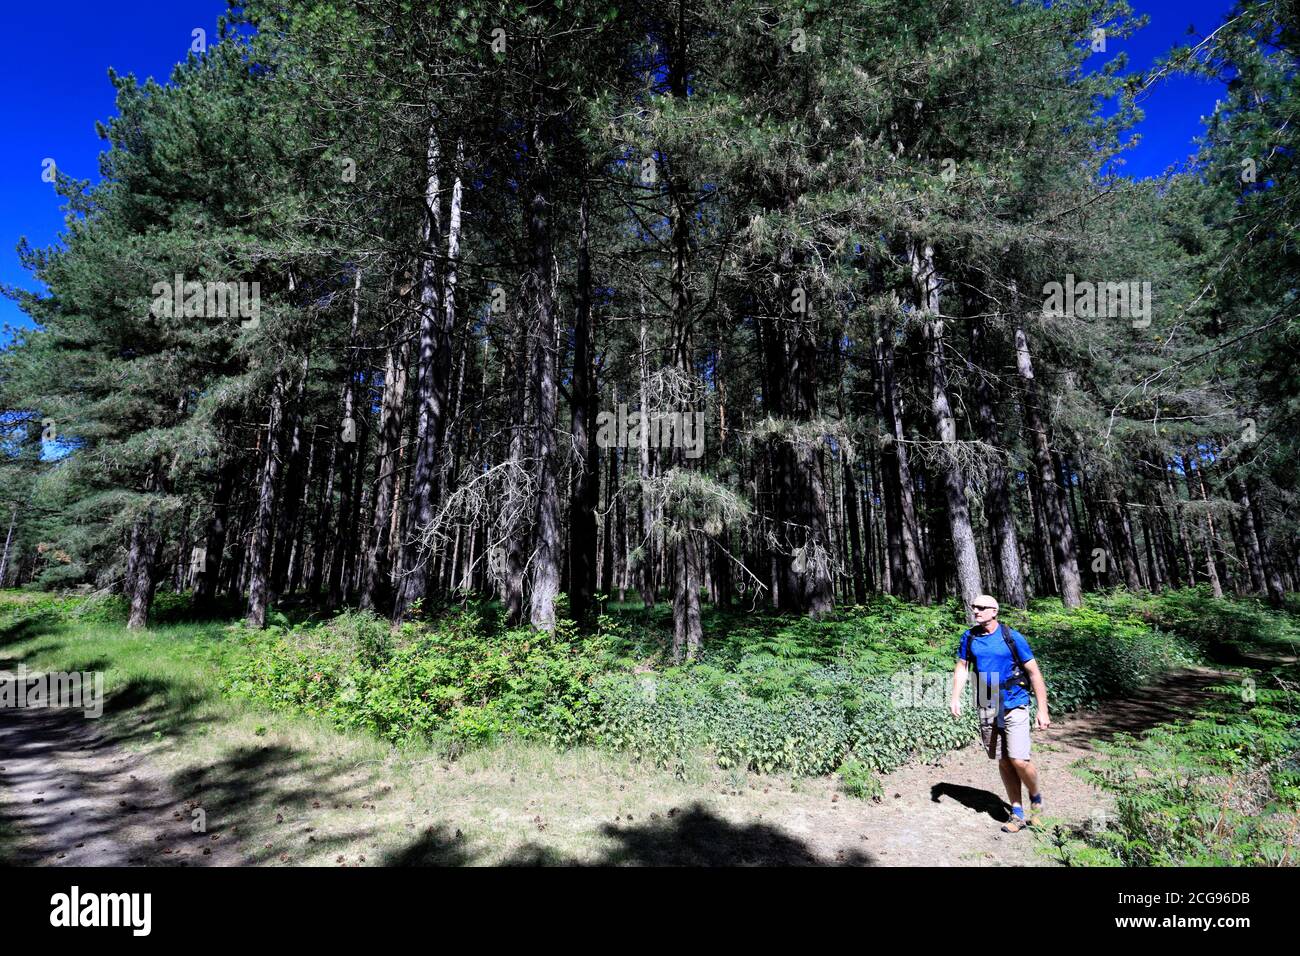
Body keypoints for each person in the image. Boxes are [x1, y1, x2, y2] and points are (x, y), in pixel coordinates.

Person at [948, 594, 1051, 833]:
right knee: (1004, 760)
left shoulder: (1011, 637)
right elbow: (962, 668)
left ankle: (1036, 798)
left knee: (1019, 760)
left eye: (982, 607)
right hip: (986, 703)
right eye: (974, 607)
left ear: (994, 611)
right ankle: (1017, 813)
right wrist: (955, 697)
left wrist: (1043, 709)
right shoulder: (970, 636)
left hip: (1014, 701)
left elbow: (1034, 673)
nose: (976, 611)